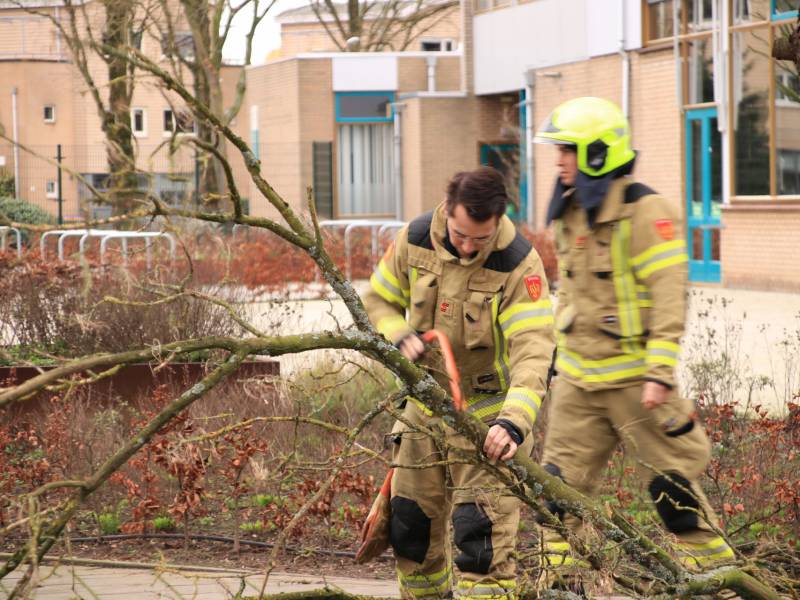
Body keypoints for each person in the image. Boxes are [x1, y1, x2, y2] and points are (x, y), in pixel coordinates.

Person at [532, 97, 734, 590]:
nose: (558, 160)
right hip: (578, 385)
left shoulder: (647, 212)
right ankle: (559, 589)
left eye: (567, 150)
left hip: (637, 385)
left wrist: (659, 371)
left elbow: (669, 296)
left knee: (675, 500)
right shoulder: (572, 213)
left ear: (598, 153)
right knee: (555, 499)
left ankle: (730, 587)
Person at [362, 166, 556, 599]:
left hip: (488, 421)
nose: (467, 247)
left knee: (480, 545)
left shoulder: (517, 263)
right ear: (448, 210)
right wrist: (398, 333)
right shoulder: (414, 238)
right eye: (459, 234)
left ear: (498, 222)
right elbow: (377, 298)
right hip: (422, 410)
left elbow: (534, 351)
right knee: (410, 532)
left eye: (479, 240)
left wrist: (513, 424)